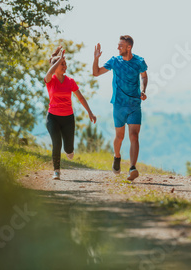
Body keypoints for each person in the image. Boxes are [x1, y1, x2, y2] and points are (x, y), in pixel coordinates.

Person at [92, 35, 148, 181]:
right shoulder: (114, 61)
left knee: (134, 136)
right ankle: (117, 156)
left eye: (121, 45)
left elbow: (144, 76)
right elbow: (96, 73)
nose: (118, 47)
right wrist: (96, 58)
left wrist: (143, 90)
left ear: (129, 47)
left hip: (134, 105)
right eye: (118, 45)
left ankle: (132, 168)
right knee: (120, 137)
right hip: (118, 105)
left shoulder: (139, 61)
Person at [45, 46, 96, 180]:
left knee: (68, 149)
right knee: (57, 143)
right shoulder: (51, 81)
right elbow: (48, 74)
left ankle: (69, 150)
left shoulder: (70, 81)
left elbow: (80, 97)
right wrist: (58, 59)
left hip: (68, 118)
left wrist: (90, 112)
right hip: (53, 118)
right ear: (55, 66)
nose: (64, 66)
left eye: (65, 64)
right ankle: (56, 171)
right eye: (62, 64)